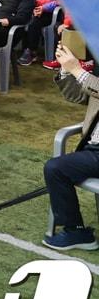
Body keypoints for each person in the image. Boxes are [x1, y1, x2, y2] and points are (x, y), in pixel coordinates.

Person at [44, 42, 99, 251]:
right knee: (57, 168)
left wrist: (77, 69)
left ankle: (76, 232)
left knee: (56, 168)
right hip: (93, 149)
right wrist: (67, 71)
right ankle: (76, 231)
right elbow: (79, 95)